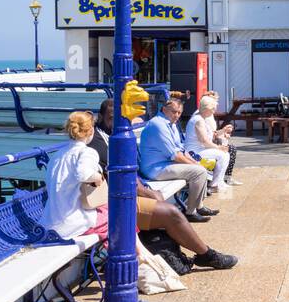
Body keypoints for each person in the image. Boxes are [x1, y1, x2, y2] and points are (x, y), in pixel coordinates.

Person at [89, 99, 237, 268]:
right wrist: (148, 193)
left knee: (168, 211)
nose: (116, 123)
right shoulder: (99, 143)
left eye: (120, 118)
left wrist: (146, 191)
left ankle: (183, 252)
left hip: (121, 197)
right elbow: (121, 178)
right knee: (171, 213)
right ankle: (207, 255)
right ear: (100, 117)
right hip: (111, 206)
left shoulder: (112, 136)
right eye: (111, 118)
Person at [139, 98, 217, 222]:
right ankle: (190, 212)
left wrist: (195, 162)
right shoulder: (158, 124)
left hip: (166, 164)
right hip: (155, 168)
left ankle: (199, 206)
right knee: (199, 172)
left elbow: (180, 148)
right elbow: (174, 155)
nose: (177, 115)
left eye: (179, 113)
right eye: (173, 112)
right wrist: (196, 165)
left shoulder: (170, 123)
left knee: (200, 168)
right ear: (164, 109)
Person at [41, 111, 107, 241]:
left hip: (50, 222)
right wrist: (98, 177)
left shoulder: (58, 155)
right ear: (91, 130)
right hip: (72, 223)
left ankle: (141, 253)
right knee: (119, 218)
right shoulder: (87, 152)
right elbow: (83, 174)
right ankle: (138, 255)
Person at [186, 95, 238, 193]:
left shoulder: (202, 119)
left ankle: (218, 182)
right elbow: (204, 141)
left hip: (200, 150)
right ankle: (215, 185)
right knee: (223, 155)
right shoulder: (198, 120)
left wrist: (223, 130)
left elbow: (212, 136)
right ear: (207, 108)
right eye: (213, 109)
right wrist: (219, 147)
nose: (214, 111)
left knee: (225, 154)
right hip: (194, 152)